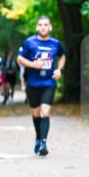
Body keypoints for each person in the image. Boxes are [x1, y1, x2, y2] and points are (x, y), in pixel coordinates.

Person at [16, 15, 66, 157]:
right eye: (40, 25)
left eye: (46, 25)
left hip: (49, 83)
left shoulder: (56, 43)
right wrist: (33, 64)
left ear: (50, 27)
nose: (43, 27)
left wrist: (59, 70)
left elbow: (62, 56)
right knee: (36, 114)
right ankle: (38, 137)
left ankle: (44, 143)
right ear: (37, 27)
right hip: (33, 84)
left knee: (45, 112)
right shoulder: (29, 42)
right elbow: (19, 58)